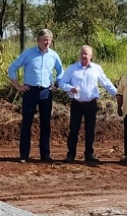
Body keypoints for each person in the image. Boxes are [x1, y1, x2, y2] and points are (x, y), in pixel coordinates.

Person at [7, 29, 64, 162]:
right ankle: (24, 155)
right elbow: (12, 68)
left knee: (46, 124)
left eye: (49, 39)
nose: (47, 42)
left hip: (46, 92)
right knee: (27, 123)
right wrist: (17, 85)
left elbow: (61, 71)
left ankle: (45, 155)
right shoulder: (28, 54)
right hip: (30, 91)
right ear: (38, 40)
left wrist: (56, 84)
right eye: (45, 39)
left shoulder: (54, 55)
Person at [58, 45, 117, 163]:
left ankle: (89, 155)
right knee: (73, 130)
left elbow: (106, 82)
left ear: (91, 56)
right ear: (80, 55)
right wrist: (70, 88)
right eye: (82, 53)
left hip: (91, 104)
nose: (84, 55)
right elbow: (61, 83)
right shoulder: (72, 69)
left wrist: (117, 94)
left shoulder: (96, 68)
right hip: (76, 104)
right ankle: (71, 155)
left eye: (86, 53)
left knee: (90, 130)